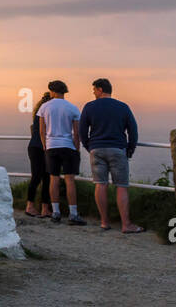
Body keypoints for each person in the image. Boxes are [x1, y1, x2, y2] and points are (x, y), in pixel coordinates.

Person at [80, 78, 144, 234]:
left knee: (100, 184)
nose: (93, 93)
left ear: (100, 89)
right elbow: (133, 131)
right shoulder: (122, 107)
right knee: (121, 186)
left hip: (97, 150)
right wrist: (129, 150)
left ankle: (104, 222)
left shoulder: (89, 107)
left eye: (94, 90)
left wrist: (90, 147)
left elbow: (82, 132)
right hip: (117, 149)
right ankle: (126, 224)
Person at [37, 80, 86, 225]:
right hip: (68, 146)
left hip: (51, 146)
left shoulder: (44, 107)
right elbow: (77, 134)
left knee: (54, 179)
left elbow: (41, 130)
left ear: (52, 91)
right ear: (64, 91)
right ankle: (73, 214)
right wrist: (77, 149)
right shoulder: (73, 108)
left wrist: (45, 146)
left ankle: (56, 213)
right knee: (70, 180)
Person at [25, 91, 53, 217]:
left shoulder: (39, 112)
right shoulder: (47, 112)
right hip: (41, 147)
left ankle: (35, 207)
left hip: (35, 146)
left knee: (39, 177)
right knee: (43, 177)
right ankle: (38, 207)